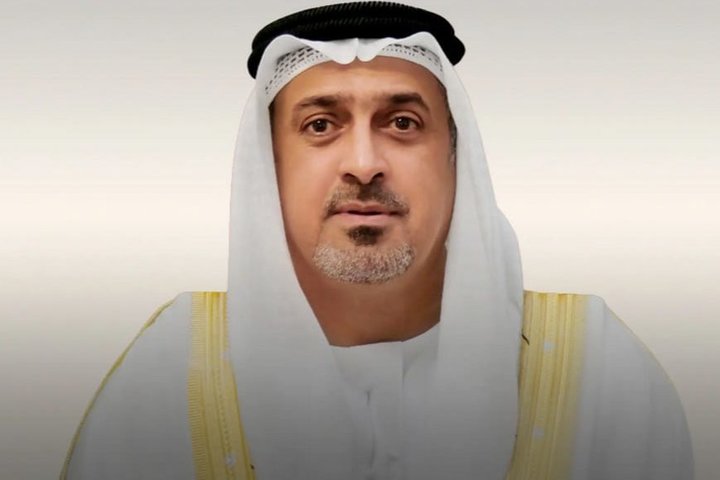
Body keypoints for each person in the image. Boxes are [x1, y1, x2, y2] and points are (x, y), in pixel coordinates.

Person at [60, 2, 693, 479]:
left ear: (456, 158)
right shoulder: (167, 378)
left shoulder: (597, 374)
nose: (363, 163)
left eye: (402, 123)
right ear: (268, 166)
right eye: (320, 125)